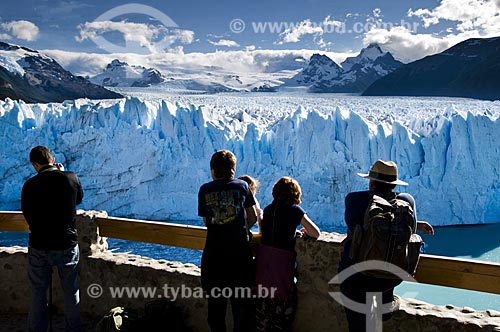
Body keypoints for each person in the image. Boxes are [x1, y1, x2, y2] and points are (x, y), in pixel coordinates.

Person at [338, 160, 434, 332]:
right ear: (394, 184)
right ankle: (386, 307)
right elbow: (408, 226)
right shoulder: (407, 201)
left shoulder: (354, 200)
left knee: (358, 325)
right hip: (389, 278)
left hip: (356, 277)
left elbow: (354, 224)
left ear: (372, 181)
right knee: (380, 293)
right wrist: (418, 225)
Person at [21, 146, 84, 332]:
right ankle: (74, 329)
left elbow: (27, 214)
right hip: (67, 244)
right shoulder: (71, 178)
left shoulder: (29, 186)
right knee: (70, 290)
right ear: (53, 159)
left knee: (37, 293)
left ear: (35, 165)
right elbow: (78, 199)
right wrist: (62, 173)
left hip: (39, 246)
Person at [198, 150, 258, 332]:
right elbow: (253, 216)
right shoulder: (242, 186)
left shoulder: (205, 189)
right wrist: (241, 229)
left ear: (213, 170)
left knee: (216, 311)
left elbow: (207, 221)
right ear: (233, 169)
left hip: (214, 258)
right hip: (240, 257)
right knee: (242, 310)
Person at [255, 176, 320, 332]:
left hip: (263, 260)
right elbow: (315, 233)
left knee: (262, 309)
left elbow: (267, 232)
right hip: (281, 262)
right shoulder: (294, 210)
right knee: (282, 309)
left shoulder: (269, 210)